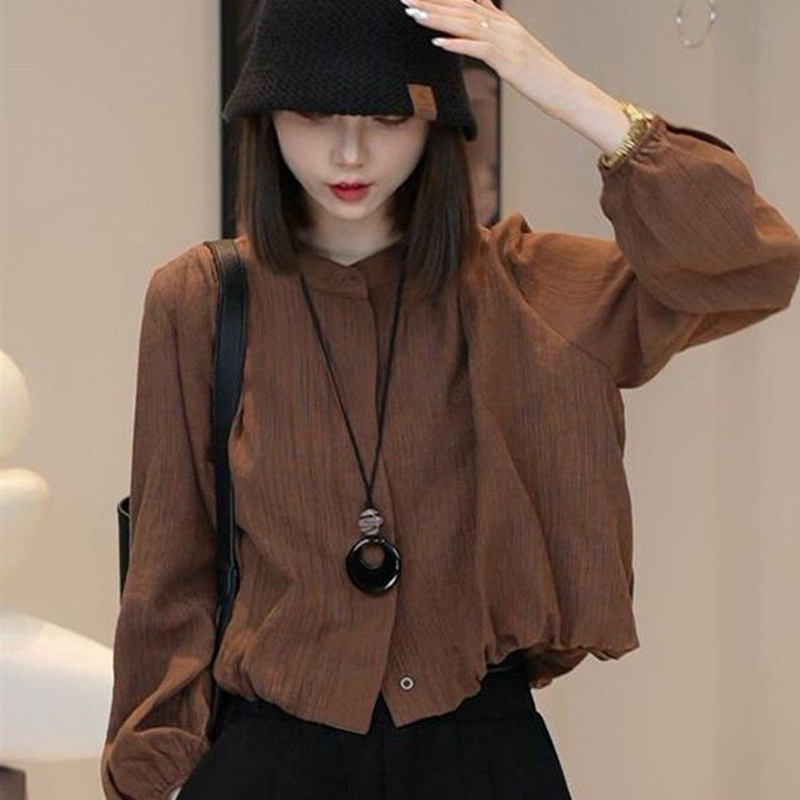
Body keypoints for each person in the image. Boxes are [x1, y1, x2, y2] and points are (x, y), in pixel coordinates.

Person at [100, 1, 800, 799]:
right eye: (314, 115)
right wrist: (149, 780)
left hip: (483, 756)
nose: (350, 151)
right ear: (267, 118)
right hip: (270, 756)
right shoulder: (200, 299)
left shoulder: (525, 286)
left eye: (388, 116)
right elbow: (167, 575)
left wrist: (564, 90)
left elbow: (752, 265)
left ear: (437, 121)